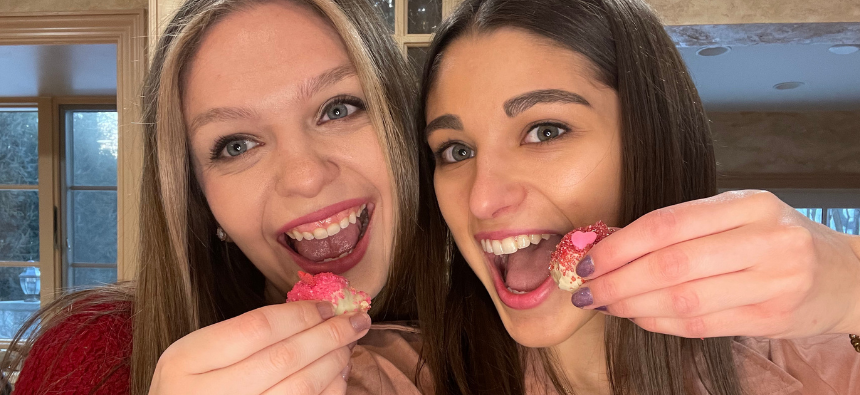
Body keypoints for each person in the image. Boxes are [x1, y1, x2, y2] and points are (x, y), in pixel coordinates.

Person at [417, 0, 860, 393]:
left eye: (545, 131)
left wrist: (852, 283)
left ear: (652, 142)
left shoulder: (822, 366)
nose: (481, 200)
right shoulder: (390, 375)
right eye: (456, 151)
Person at [3, 0, 441, 394]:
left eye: (338, 109)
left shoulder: (506, 336)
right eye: (237, 145)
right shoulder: (91, 360)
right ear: (200, 200)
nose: (305, 178)